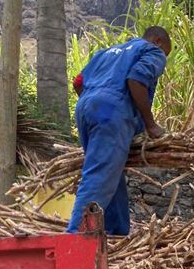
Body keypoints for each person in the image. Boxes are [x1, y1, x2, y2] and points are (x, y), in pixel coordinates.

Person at [66, 26, 172, 236]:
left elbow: (78, 82)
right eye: (166, 51)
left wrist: (96, 104)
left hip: (86, 108)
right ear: (158, 41)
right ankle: (74, 239)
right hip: (112, 111)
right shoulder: (152, 51)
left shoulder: (107, 53)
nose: (164, 57)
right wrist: (150, 124)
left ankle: (116, 232)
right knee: (99, 177)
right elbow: (136, 80)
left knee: (111, 174)